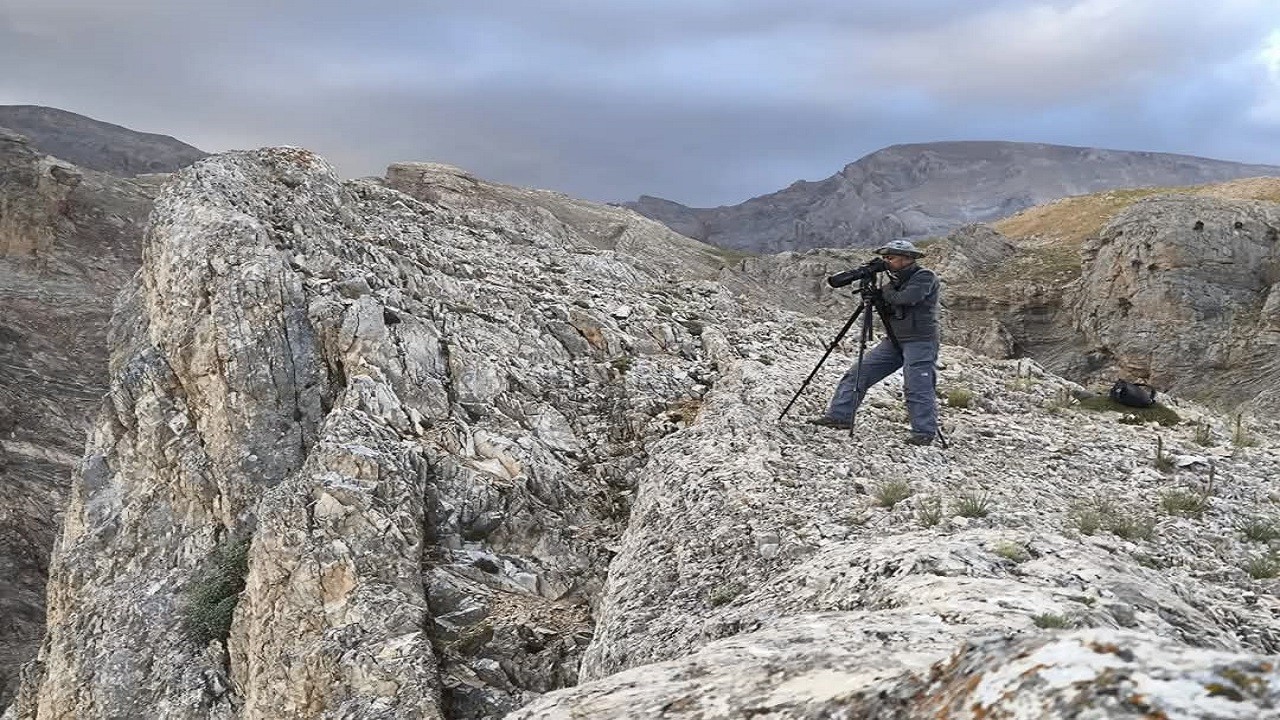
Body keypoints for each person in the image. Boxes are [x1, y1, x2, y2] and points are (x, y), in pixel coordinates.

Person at [809, 239, 941, 445]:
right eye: (884, 258)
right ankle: (839, 416)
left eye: (891, 258)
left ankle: (923, 433)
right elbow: (892, 303)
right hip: (894, 340)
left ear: (908, 259)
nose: (886, 262)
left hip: (920, 341)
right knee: (857, 373)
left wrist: (884, 292)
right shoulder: (893, 281)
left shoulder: (924, 277)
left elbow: (907, 298)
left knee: (917, 385)